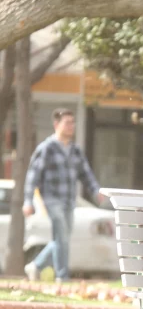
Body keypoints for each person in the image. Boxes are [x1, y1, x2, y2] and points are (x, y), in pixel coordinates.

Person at [23, 108, 103, 282]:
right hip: (51, 200)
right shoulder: (46, 148)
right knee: (62, 236)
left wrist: (96, 191)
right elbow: (33, 177)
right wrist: (27, 201)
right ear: (56, 124)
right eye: (67, 123)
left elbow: (86, 173)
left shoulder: (75, 150)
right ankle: (62, 276)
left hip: (69, 200)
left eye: (72, 123)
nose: (71, 126)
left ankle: (35, 266)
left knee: (62, 238)